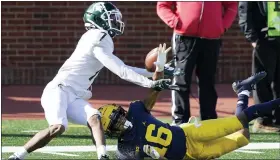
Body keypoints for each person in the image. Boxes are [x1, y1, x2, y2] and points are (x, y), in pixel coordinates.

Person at [8, 2, 180, 160]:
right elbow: (121, 71)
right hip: (59, 90)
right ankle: (17, 156)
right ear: (99, 19)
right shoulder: (99, 35)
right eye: (111, 18)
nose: (115, 21)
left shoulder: (97, 37)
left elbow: (122, 67)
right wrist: (151, 83)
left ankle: (102, 156)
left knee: (94, 117)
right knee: (58, 127)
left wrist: (157, 72)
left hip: (73, 94)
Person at [98, 71, 280, 160]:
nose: (121, 120)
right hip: (190, 155)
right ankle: (243, 91)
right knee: (244, 137)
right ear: (110, 131)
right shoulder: (125, 151)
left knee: (239, 121)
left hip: (189, 132)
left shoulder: (136, 111)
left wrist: (159, 74)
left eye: (118, 115)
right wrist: (156, 157)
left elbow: (152, 96)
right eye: (115, 121)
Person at [156, 2, 238, 124]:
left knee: (208, 82)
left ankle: (209, 121)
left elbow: (232, 5)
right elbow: (162, 6)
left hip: (211, 39)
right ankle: (180, 121)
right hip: (184, 39)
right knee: (180, 80)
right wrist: (175, 22)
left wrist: (222, 25)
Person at [238, 1, 280, 132]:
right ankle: (263, 120)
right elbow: (244, 11)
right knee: (262, 81)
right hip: (264, 39)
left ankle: (277, 119)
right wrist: (253, 38)